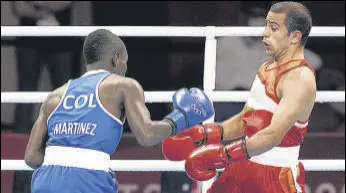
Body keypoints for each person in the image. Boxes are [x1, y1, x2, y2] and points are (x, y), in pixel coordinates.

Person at [24, 29, 215, 193]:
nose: (125, 68)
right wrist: (180, 118)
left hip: (45, 180)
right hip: (88, 179)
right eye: (125, 62)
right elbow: (147, 135)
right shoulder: (123, 86)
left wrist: (64, 161)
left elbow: (31, 157)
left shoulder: (55, 96)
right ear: (116, 59)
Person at [162, 2, 316, 192]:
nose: (265, 32)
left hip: (275, 175)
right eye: (267, 25)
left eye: (273, 28)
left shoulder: (299, 78)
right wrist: (206, 133)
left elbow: (273, 134)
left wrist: (223, 154)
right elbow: (246, 120)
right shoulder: (265, 69)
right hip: (241, 165)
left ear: (295, 36)